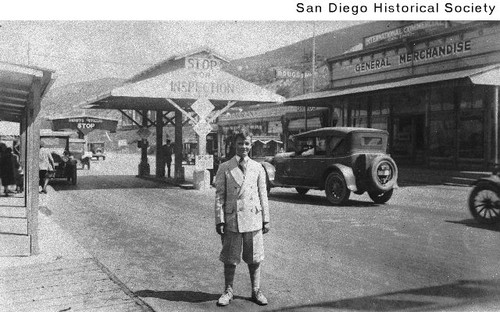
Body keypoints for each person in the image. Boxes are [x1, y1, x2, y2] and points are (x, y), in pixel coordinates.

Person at [214, 129, 270, 307]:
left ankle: (256, 290)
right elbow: (219, 196)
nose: (243, 147)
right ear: (234, 145)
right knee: (230, 258)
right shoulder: (225, 167)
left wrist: (266, 219)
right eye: (240, 143)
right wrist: (219, 219)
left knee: (255, 257)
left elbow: (263, 194)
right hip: (233, 219)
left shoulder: (258, 167)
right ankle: (228, 290)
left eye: (246, 143)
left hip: (253, 217)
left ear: (251, 145)